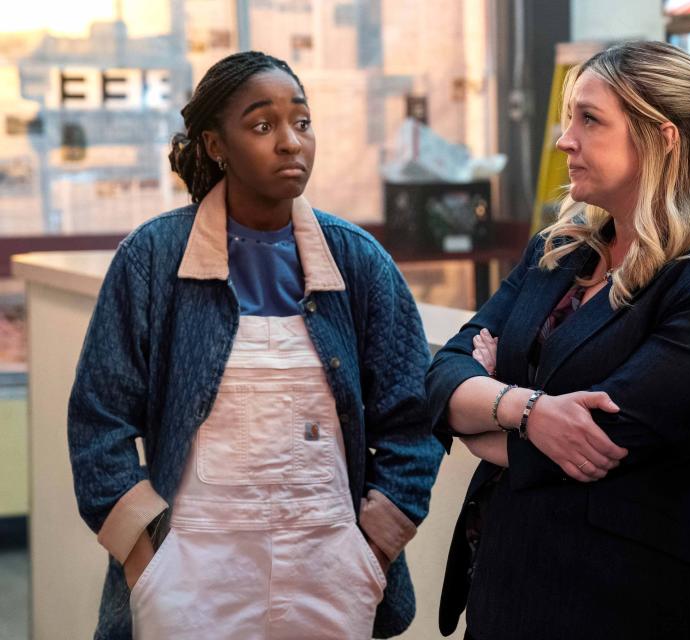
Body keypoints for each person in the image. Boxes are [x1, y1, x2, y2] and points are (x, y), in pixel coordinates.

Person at [67, 51, 443, 639]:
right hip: (189, 576)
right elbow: (99, 423)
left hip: (330, 571)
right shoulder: (152, 259)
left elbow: (412, 419)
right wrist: (148, 565)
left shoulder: (358, 262)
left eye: (302, 121)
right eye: (263, 126)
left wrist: (371, 550)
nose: (291, 142)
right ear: (216, 145)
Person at [426, 41, 690, 640]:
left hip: (622, 599)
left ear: (660, 138)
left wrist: (487, 404)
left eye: (589, 119)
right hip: (503, 579)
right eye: (568, 118)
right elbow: (444, 373)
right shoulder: (557, 253)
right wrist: (526, 410)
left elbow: (600, 445)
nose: (564, 141)